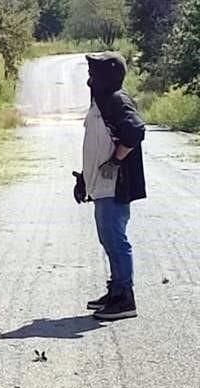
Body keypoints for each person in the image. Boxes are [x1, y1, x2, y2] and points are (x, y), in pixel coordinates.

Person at [74, 52, 146, 321]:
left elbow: (135, 131)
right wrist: (84, 178)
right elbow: (97, 144)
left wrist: (116, 161)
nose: (89, 81)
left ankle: (124, 298)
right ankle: (115, 289)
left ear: (106, 76)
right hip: (101, 184)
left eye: (94, 74)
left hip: (115, 184)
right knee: (108, 238)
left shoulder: (117, 100)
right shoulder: (102, 101)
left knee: (115, 240)